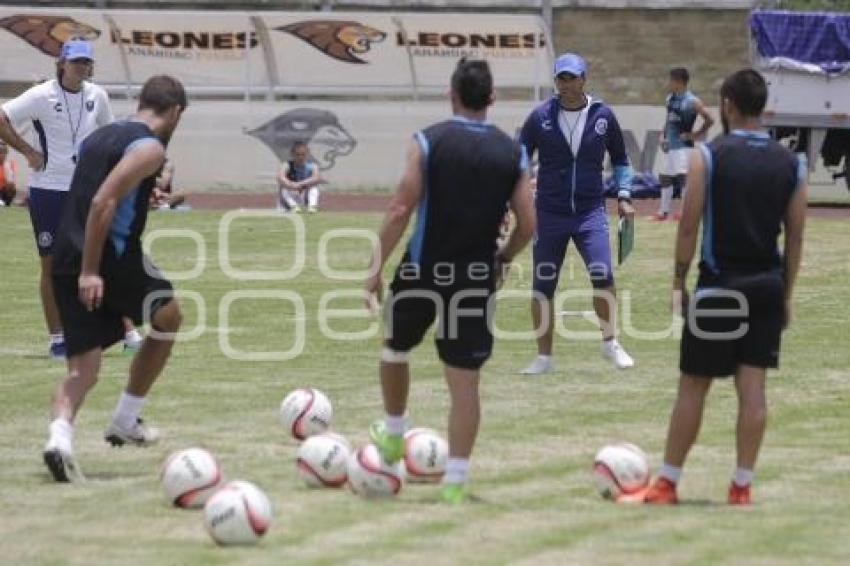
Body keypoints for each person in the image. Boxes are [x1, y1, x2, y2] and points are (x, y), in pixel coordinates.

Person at [363, 59, 535, 503]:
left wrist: (375, 267)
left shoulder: (428, 141)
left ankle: (394, 434)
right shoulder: (510, 151)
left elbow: (401, 208)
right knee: (464, 382)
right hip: (475, 277)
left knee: (395, 348)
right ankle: (455, 484)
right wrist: (504, 257)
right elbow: (528, 222)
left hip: (423, 269)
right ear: (491, 99)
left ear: (451, 93)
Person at [643, 69, 806, 505]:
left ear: (729, 104)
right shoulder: (791, 164)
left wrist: (677, 281)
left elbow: (689, 225)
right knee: (753, 390)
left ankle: (667, 483)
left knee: (693, 385)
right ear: (763, 106)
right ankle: (741, 486)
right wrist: (785, 294)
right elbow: (795, 237)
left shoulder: (707, 157)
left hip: (720, 288)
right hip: (767, 287)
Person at [43, 75, 187, 482]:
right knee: (170, 318)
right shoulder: (151, 148)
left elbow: (98, 185)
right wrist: (92, 270)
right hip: (109, 258)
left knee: (83, 371)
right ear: (175, 111)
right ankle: (125, 418)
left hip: (66, 257)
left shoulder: (101, 135)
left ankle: (58, 441)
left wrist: (143, 194)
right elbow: (103, 199)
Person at [0, 37, 142, 357]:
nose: (82, 68)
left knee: (102, 260)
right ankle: (57, 338)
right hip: (48, 191)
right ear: (62, 63)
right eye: (76, 62)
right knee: (51, 267)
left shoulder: (98, 95)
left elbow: (111, 135)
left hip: (85, 192)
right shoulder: (40, 95)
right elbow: (2, 117)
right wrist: (28, 152)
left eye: (86, 63)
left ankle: (128, 331)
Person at [518, 52, 636, 375]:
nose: (566, 85)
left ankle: (610, 344)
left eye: (572, 78)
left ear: (584, 79)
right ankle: (544, 357)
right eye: (561, 78)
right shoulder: (540, 116)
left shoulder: (603, 115)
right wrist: (516, 192)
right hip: (548, 213)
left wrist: (624, 196)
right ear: (555, 81)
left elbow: (622, 161)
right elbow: (519, 156)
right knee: (543, 284)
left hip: (590, 212)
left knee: (603, 275)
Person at [652, 67, 714, 221]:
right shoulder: (669, 99)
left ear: (678, 82)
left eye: (671, 80)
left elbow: (710, 119)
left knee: (682, 178)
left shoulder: (692, 101)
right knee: (665, 177)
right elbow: (669, 119)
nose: (669, 83)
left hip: (683, 147)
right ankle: (663, 212)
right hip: (670, 145)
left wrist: (695, 134)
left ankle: (685, 212)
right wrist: (662, 135)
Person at [277, 141, 322, 213]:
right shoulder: (287, 165)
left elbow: (317, 178)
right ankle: (294, 207)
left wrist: (300, 184)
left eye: (303, 154)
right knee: (284, 188)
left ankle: (312, 207)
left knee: (314, 188)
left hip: (303, 194)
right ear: (293, 154)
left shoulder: (312, 165)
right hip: (292, 194)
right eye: (297, 155)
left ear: (307, 154)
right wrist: (290, 184)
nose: (300, 157)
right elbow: (280, 177)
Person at [0, 141, 17, 206]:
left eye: (4, 153)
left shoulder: (10, 164)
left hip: (3, 193)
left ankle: (4, 202)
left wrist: (6, 168)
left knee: (11, 187)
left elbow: (12, 183)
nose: (2, 155)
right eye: (0, 152)